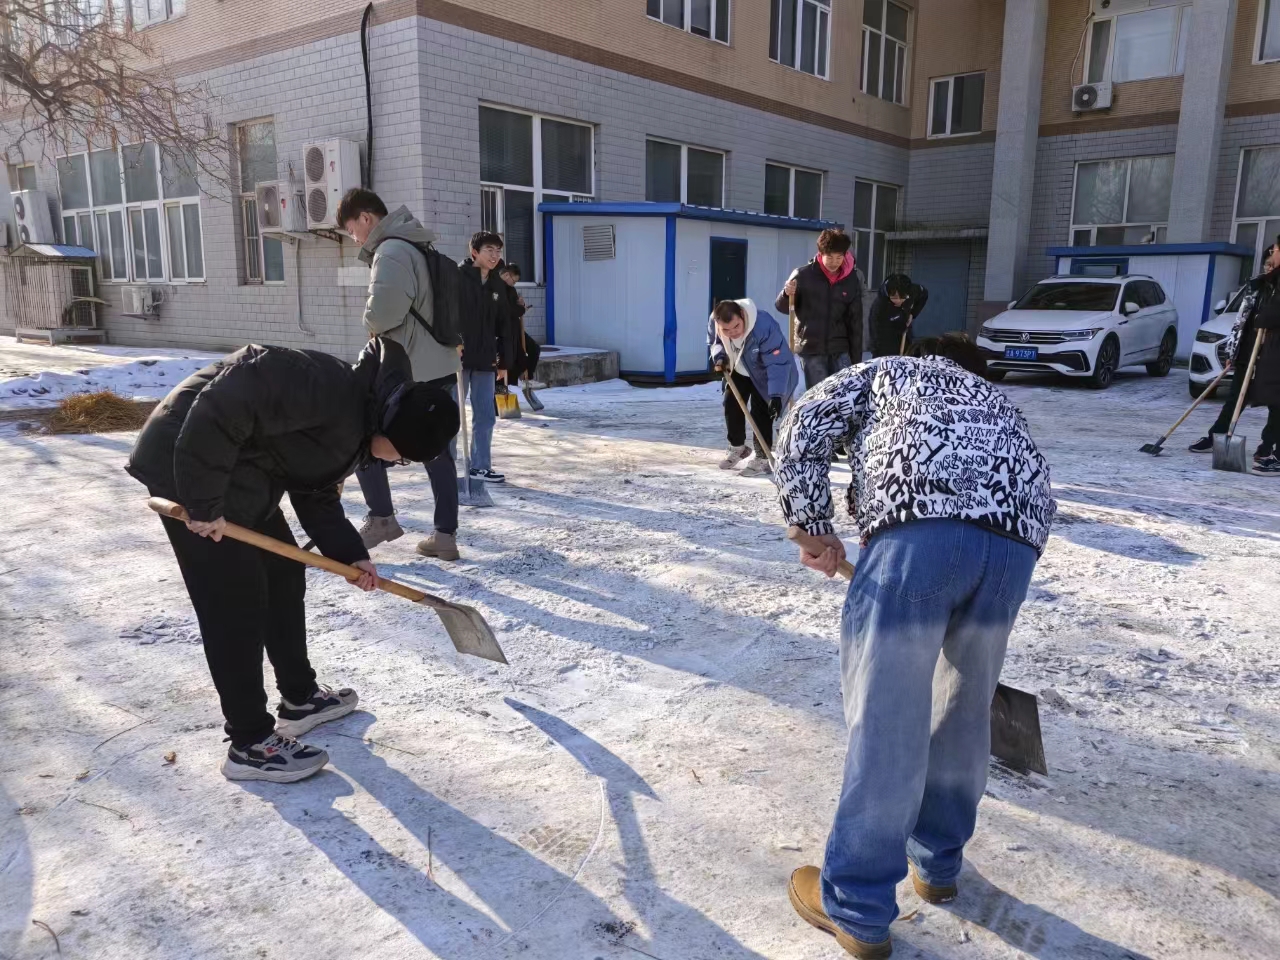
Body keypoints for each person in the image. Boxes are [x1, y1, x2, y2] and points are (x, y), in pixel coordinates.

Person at [773, 333, 1056, 958]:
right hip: (1014, 547)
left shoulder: (890, 372)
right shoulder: (997, 402)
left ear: (921, 353)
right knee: (963, 712)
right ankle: (938, 863)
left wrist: (810, 524)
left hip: (918, 533)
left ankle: (857, 906)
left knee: (888, 720)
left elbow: (802, 422)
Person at [125, 338, 459, 783]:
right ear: (393, 433)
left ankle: (300, 698)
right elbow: (222, 404)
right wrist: (202, 502)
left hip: (244, 469)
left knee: (283, 573)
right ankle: (249, 743)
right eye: (401, 457)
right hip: (187, 462)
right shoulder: (323, 388)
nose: (398, 463)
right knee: (235, 600)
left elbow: (313, 484)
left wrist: (351, 555)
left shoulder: (364, 419)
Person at [336, 188, 466, 561]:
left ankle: (382, 518)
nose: (354, 239)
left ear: (366, 218)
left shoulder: (391, 251)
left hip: (406, 370)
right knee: (437, 451)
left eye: (352, 229)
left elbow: (382, 316)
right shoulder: (418, 245)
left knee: (364, 436)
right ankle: (445, 535)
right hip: (439, 363)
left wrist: (367, 316)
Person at [1188, 241, 1280, 474]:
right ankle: (1217, 436)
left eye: (1273, 261)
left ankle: (1268, 447)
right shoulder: (1257, 287)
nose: (1269, 266)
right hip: (1249, 352)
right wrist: (1233, 351)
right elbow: (1241, 322)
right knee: (1235, 399)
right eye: (1267, 263)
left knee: (1276, 404)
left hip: (1272, 355)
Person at [707, 298, 798, 477]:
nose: (732, 333)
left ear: (742, 315)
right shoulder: (714, 321)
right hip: (739, 366)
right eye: (726, 330)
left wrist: (776, 395)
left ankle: (762, 458)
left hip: (766, 371)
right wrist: (720, 357)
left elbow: (777, 363)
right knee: (731, 403)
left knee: (761, 411)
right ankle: (738, 447)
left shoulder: (763, 326)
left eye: (736, 326)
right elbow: (715, 341)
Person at [776, 228, 863, 390]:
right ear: (820, 253)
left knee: (844, 394)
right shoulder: (802, 275)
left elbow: (855, 320)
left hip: (840, 348)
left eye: (839, 257)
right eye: (830, 257)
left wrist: (856, 358)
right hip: (811, 348)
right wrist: (786, 294)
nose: (834, 262)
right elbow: (782, 307)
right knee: (820, 396)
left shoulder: (851, 280)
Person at [460, 231, 514, 483]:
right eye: (489, 250)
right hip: (456, 359)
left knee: (485, 415)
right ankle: (445, 468)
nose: (495, 256)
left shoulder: (497, 285)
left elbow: (504, 325)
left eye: (498, 251)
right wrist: (451, 342)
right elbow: (444, 315)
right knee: (451, 415)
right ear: (475, 253)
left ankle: (480, 466)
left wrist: (504, 361)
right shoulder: (457, 278)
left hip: (485, 359)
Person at [499, 262, 543, 399]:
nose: (514, 284)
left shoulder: (510, 289)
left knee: (533, 349)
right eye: (514, 281)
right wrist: (521, 309)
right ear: (507, 275)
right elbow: (508, 310)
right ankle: (503, 388)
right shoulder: (498, 289)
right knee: (514, 360)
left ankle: (527, 378)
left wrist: (521, 305)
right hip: (504, 331)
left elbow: (515, 307)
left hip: (515, 328)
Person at [867, 274, 929, 358]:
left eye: (902, 297)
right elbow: (875, 334)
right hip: (886, 333)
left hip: (904, 330)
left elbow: (924, 295)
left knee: (908, 356)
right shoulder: (880, 306)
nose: (899, 301)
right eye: (894, 297)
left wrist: (913, 314)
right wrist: (878, 353)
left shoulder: (912, 290)